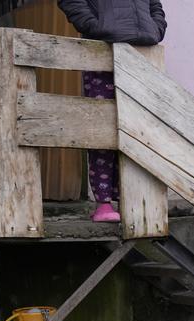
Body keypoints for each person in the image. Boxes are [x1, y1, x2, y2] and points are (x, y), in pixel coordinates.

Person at [58, 0, 167, 223]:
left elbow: (155, 4)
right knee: (103, 127)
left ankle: (130, 198)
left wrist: (156, 28)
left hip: (142, 52)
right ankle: (104, 202)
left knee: (140, 129)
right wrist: (97, 27)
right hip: (101, 49)